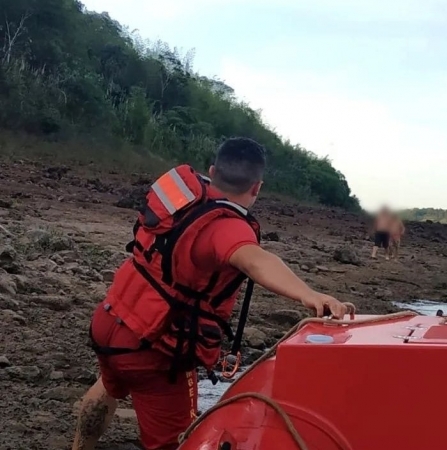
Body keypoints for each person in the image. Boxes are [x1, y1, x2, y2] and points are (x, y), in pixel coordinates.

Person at [71, 137, 347, 450]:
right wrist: (309, 294)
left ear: (212, 170)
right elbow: (257, 261)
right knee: (178, 443)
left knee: (107, 387)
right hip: (153, 348)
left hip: (110, 320)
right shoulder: (227, 226)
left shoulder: (180, 199)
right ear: (256, 187)